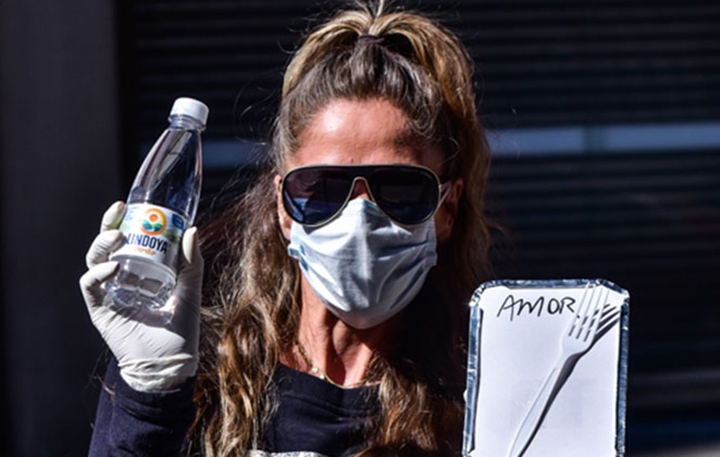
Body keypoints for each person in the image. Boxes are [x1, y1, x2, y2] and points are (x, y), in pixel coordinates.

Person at [80, 1, 492, 455]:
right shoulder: (195, 375)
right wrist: (150, 398)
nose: (359, 218)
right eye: (322, 188)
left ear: (447, 208)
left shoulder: (484, 395)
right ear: (282, 205)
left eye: (399, 190)